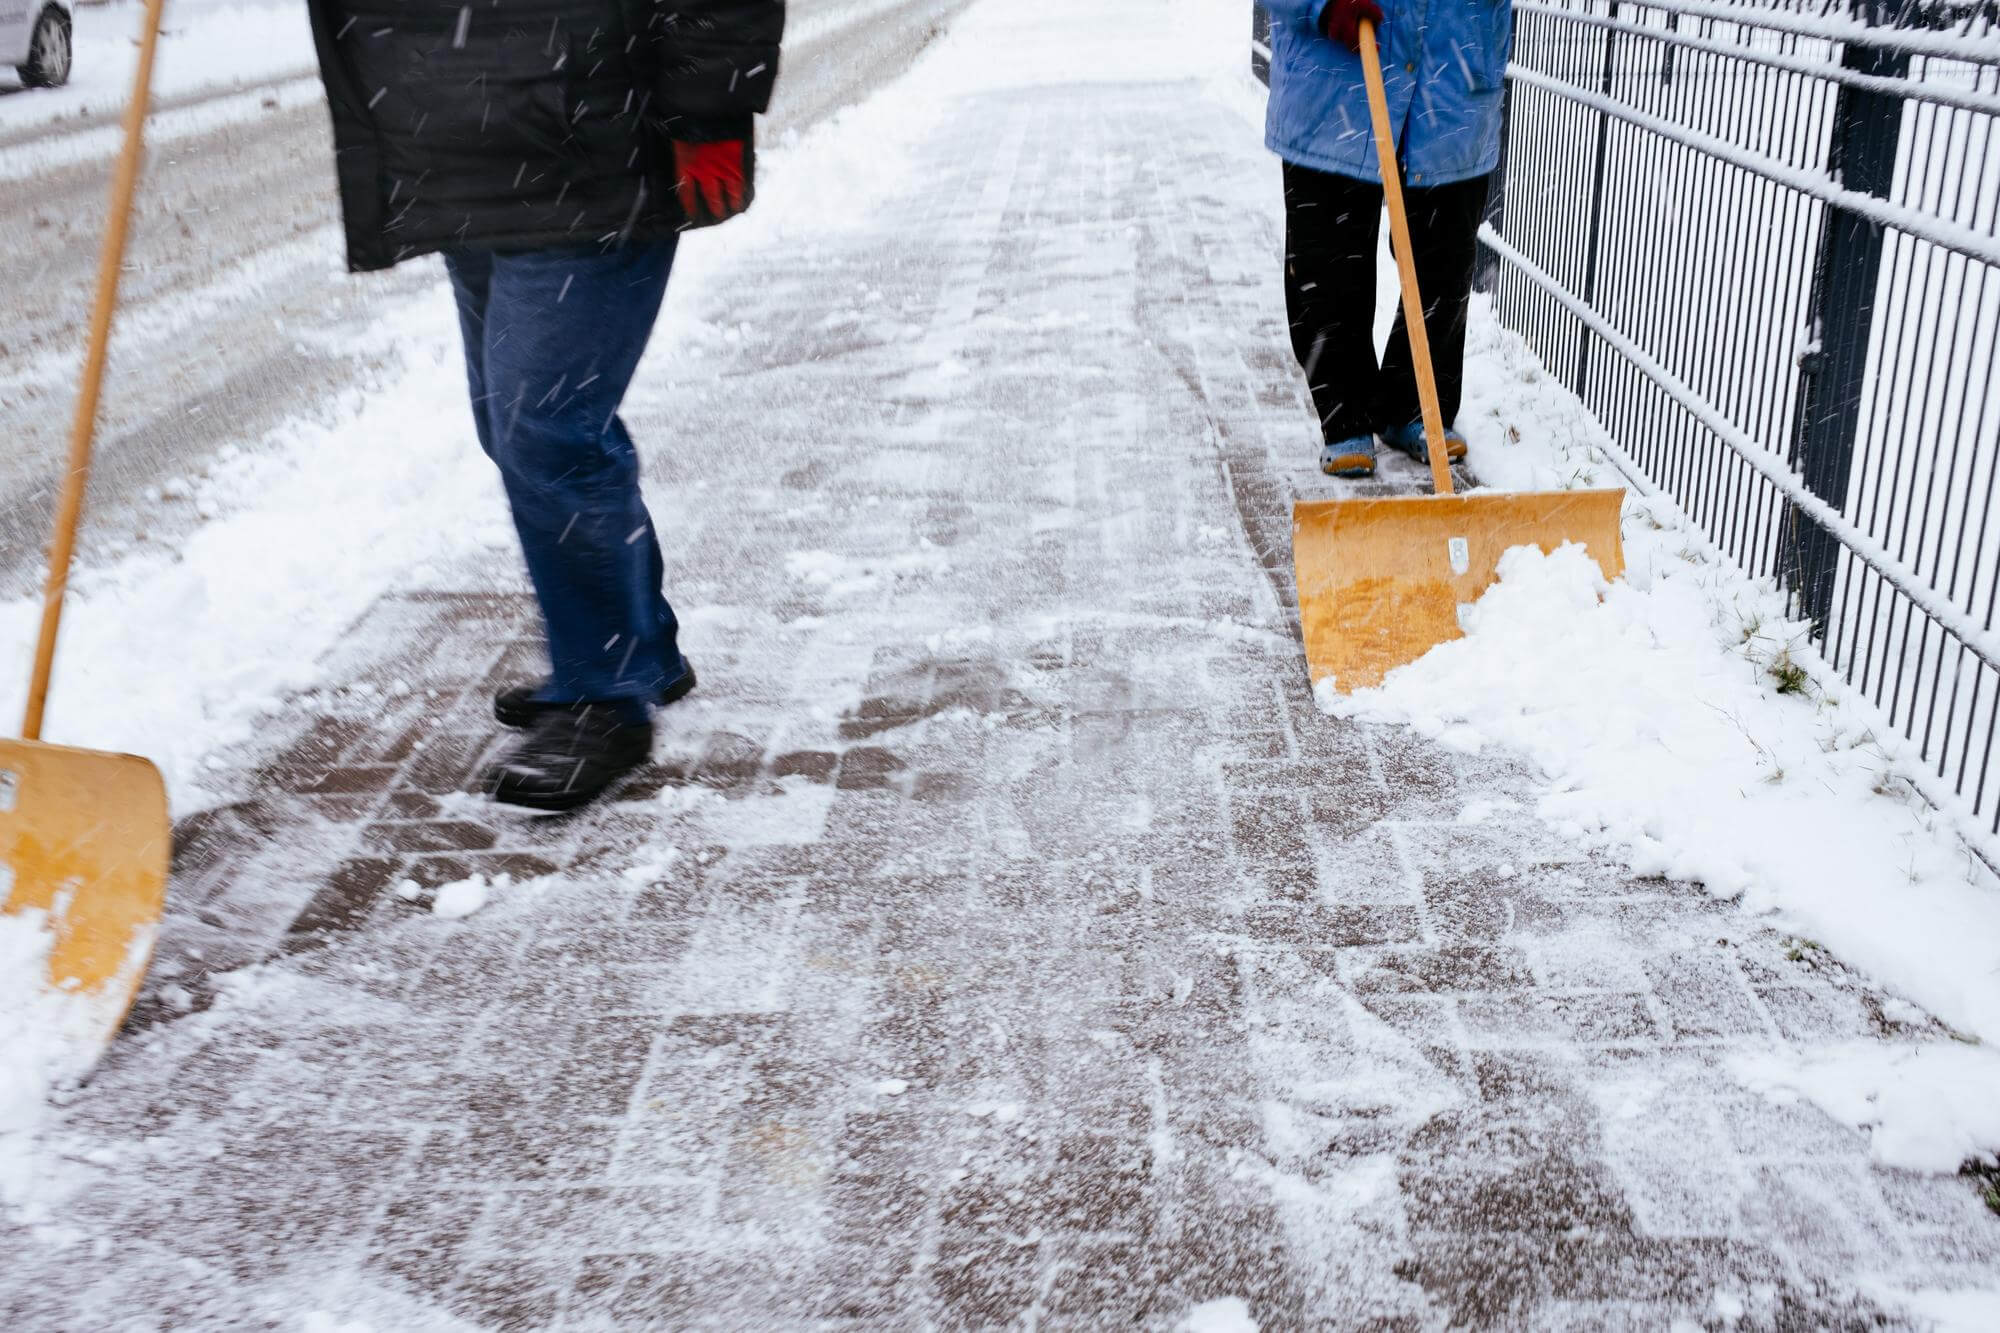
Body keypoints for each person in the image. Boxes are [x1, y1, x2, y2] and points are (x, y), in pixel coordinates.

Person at [306, 0, 784, 810]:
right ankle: (641, 648)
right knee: (520, 427)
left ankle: (605, 698)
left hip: (588, 149)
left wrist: (710, 107)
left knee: (549, 433)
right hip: (460, 151)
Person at [1262, 0, 1510, 477]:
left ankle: (1415, 406)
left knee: (1445, 256)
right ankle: (1344, 414)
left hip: (1453, 79)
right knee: (1329, 260)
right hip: (1335, 82)